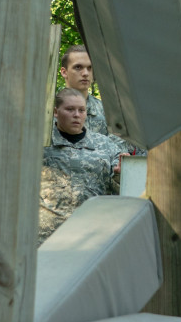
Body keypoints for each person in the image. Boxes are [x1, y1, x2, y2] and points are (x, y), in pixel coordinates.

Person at [39, 88, 124, 241]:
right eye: (70, 109)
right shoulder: (41, 143)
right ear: (56, 112)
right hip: (47, 238)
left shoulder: (106, 145)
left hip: (91, 236)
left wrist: (120, 174)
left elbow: (121, 190)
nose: (77, 115)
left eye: (81, 110)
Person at [58, 45, 109, 135]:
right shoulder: (49, 109)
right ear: (64, 72)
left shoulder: (106, 112)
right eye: (78, 67)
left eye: (90, 68)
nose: (85, 73)